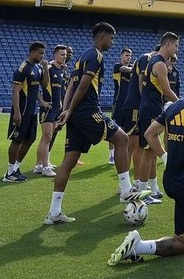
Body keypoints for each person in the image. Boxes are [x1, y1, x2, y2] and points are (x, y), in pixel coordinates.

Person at [109, 66, 184, 265]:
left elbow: (150, 134)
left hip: (171, 178)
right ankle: (139, 246)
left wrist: (165, 156)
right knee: (183, 244)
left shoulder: (173, 107)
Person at [43, 23, 137, 226]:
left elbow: (70, 86)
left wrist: (66, 110)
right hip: (88, 110)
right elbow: (83, 85)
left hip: (76, 113)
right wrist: (70, 109)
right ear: (102, 37)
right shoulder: (96, 56)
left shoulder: (80, 57)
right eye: (111, 38)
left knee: (68, 161)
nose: (112, 42)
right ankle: (126, 190)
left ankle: (54, 212)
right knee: (122, 139)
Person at [133, 33, 181, 202]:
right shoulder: (160, 64)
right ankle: (143, 192)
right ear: (167, 44)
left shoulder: (152, 61)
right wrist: (183, 104)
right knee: (148, 153)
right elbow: (167, 91)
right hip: (152, 110)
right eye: (176, 46)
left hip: (149, 108)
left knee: (150, 153)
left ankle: (150, 190)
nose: (177, 49)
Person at [3, 41, 46, 183]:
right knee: (17, 140)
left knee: (30, 139)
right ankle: (9, 173)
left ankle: (16, 168)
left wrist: (42, 102)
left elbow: (43, 85)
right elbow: (15, 91)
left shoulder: (39, 68)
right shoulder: (23, 68)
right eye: (40, 53)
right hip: (21, 111)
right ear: (33, 52)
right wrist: (16, 112)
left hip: (33, 111)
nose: (42, 56)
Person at [32, 44, 70, 177]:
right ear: (55, 55)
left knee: (46, 137)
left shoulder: (62, 70)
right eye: (61, 54)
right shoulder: (48, 68)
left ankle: (39, 165)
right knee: (47, 137)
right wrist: (41, 101)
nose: (64, 57)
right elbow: (34, 86)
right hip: (47, 108)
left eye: (65, 55)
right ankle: (45, 167)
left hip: (56, 109)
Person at [109, 46, 134, 165]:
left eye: (130, 56)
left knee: (127, 131)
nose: (128, 58)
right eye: (126, 55)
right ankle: (111, 155)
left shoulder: (132, 69)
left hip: (129, 105)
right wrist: (136, 68)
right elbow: (126, 69)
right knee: (114, 129)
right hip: (118, 103)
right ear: (121, 56)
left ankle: (123, 153)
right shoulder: (117, 67)